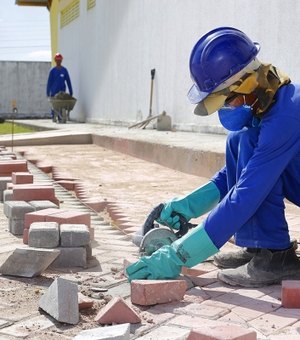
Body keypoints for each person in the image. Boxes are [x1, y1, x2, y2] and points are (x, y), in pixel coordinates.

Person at [126, 27, 300, 288]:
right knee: (240, 141)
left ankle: (276, 258)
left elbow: (247, 193)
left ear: (245, 86)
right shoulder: (269, 103)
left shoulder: (287, 115)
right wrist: (186, 206)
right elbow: (234, 178)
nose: (224, 109)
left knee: (252, 168)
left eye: (225, 100)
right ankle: (260, 246)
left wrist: (178, 255)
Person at [46, 53, 73, 122]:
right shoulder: (52, 71)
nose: (58, 62)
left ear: (61, 61)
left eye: (59, 60)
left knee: (61, 105)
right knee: (55, 105)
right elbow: (49, 82)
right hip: (54, 92)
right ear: (55, 60)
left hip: (62, 93)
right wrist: (48, 93)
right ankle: (53, 116)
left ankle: (61, 117)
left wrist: (71, 91)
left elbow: (68, 81)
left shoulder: (64, 70)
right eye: (57, 60)